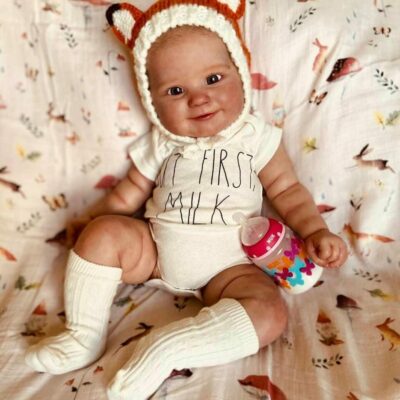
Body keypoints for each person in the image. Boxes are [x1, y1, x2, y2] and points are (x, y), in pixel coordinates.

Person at [25, 1, 348, 399]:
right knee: (103, 232)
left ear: (241, 75)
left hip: (231, 269)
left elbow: (286, 191)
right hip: (155, 254)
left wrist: (315, 231)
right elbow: (129, 193)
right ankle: (82, 335)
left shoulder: (254, 137)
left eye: (213, 78)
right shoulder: (162, 143)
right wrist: (93, 225)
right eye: (175, 91)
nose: (199, 99)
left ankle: (167, 349)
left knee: (269, 313)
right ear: (152, 102)